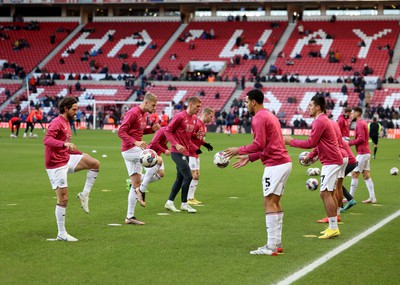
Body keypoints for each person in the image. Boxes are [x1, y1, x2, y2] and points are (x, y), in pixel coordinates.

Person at [225, 89, 292, 255]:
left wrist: (239, 150)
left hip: (275, 165)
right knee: (275, 201)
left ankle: (270, 247)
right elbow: (268, 144)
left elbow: (259, 144)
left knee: (269, 202)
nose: (246, 105)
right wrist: (250, 158)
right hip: (283, 162)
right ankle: (277, 243)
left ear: (253, 101)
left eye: (247, 102)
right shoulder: (270, 116)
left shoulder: (259, 118)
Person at [284, 95, 343, 239]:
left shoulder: (320, 121)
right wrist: (311, 156)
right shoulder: (322, 120)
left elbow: (310, 142)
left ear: (318, 107)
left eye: (311, 105)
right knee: (327, 192)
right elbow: (318, 144)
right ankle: (333, 225)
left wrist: (291, 142)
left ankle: (333, 227)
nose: (308, 108)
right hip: (331, 160)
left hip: (331, 161)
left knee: (325, 193)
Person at [43, 97, 100, 242]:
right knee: (63, 199)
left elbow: (68, 146)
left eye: (77, 108)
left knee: (94, 163)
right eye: (74, 109)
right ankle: (61, 233)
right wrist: (63, 145)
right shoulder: (57, 122)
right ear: (65, 109)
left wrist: (80, 154)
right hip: (56, 164)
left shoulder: (67, 123)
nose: (76, 111)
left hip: (66, 158)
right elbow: (47, 140)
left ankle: (85, 195)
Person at [118, 92, 160, 225]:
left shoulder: (143, 114)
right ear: (146, 102)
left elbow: (138, 131)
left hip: (133, 150)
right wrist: (135, 142)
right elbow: (121, 131)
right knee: (158, 160)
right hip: (130, 149)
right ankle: (142, 191)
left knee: (135, 183)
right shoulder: (133, 113)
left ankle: (129, 217)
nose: (154, 108)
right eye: (153, 105)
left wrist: (151, 130)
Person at [164, 96, 202, 213]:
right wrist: (175, 144)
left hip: (185, 152)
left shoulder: (194, 119)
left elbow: (188, 138)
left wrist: (196, 145)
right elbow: (167, 131)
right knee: (188, 176)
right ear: (190, 105)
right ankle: (184, 203)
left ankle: (169, 202)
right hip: (176, 152)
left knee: (180, 178)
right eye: (197, 106)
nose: (199, 109)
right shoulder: (179, 116)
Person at [348, 107, 377, 203]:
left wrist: (350, 143)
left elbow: (361, 139)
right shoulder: (362, 123)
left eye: (353, 113)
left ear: (357, 113)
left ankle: (350, 198)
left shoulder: (360, 124)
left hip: (363, 153)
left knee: (354, 174)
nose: (352, 115)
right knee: (366, 175)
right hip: (366, 152)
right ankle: (372, 197)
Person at [187, 108, 214, 205]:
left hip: (196, 154)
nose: (212, 119)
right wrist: (195, 147)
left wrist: (206, 144)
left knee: (197, 175)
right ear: (205, 115)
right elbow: (188, 138)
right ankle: (188, 198)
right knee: (193, 175)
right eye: (211, 116)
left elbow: (198, 138)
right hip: (190, 153)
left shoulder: (203, 126)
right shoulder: (196, 124)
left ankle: (191, 197)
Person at [135, 126, 170, 196]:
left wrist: (167, 149)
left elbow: (163, 144)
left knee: (161, 174)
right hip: (150, 154)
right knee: (150, 174)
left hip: (158, 155)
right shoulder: (162, 130)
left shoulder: (171, 132)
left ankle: (132, 181)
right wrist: (164, 150)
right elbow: (154, 142)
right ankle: (140, 187)